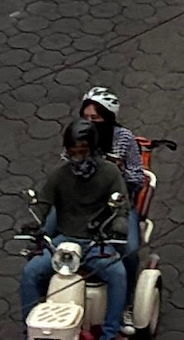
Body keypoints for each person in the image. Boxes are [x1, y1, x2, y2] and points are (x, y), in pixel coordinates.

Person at [28, 107, 139, 333]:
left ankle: (110, 331)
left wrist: (119, 223)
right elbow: (43, 203)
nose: (78, 157)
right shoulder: (60, 174)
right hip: (65, 241)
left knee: (117, 274)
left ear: (94, 149)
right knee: (31, 272)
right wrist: (35, 221)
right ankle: (31, 327)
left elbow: (121, 203)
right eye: (73, 152)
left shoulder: (110, 173)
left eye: (83, 151)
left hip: (97, 242)